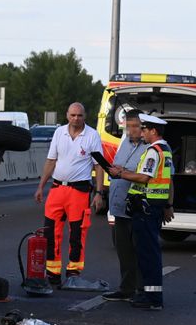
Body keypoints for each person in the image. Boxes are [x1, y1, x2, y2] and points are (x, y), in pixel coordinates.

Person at [106, 114, 173, 311]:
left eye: (144, 128)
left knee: (147, 255)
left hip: (146, 208)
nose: (141, 131)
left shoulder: (154, 151)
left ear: (153, 131)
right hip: (148, 207)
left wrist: (120, 173)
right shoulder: (165, 149)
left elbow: (144, 177)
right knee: (147, 254)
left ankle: (151, 297)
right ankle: (149, 295)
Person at [33, 102, 104, 286]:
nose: (76, 118)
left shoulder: (92, 135)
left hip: (79, 191)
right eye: (73, 115)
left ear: (84, 116)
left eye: (79, 115)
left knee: (77, 234)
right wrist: (41, 186)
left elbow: (98, 166)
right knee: (50, 232)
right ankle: (52, 272)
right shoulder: (59, 133)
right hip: (57, 189)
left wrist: (99, 192)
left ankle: (73, 271)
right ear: (67, 115)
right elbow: (51, 161)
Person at [102, 108, 146, 302]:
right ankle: (126, 288)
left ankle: (143, 291)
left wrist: (122, 172)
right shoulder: (125, 144)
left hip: (138, 209)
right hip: (119, 207)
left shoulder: (151, 147)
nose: (131, 130)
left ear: (144, 127)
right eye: (128, 126)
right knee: (124, 252)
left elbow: (146, 176)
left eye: (135, 126)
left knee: (140, 252)